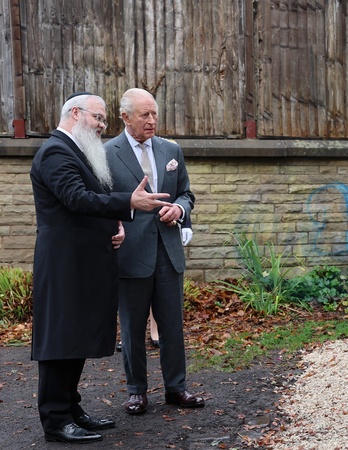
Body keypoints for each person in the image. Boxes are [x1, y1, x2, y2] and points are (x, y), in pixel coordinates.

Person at [30, 92, 173, 443]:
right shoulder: (55, 152)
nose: (101, 125)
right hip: (64, 263)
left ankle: (70, 407)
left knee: (75, 337)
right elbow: (76, 199)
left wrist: (115, 226)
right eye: (97, 117)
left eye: (104, 119)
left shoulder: (74, 151)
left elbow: (89, 203)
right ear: (75, 113)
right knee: (60, 340)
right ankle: (55, 419)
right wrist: (130, 203)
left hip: (81, 262)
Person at [105, 88, 204, 415]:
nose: (152, 120)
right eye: (144, 115)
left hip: (168, 252)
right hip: (130, 252)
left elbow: (186, 194)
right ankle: (137, 391)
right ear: (125, 117)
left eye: (154, 113)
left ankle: (177, 388)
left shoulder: (171, 150)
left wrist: (179, 208)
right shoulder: (107, 154)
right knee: (132, 327)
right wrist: (116, 224)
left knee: (172, 325)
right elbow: (101, 202)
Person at [148, 215, 192, 347]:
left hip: (162, 222)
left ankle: (154, 328)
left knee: (156, 279)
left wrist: (185, 223)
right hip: (130, 229)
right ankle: (128, 334)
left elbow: (180, 201)